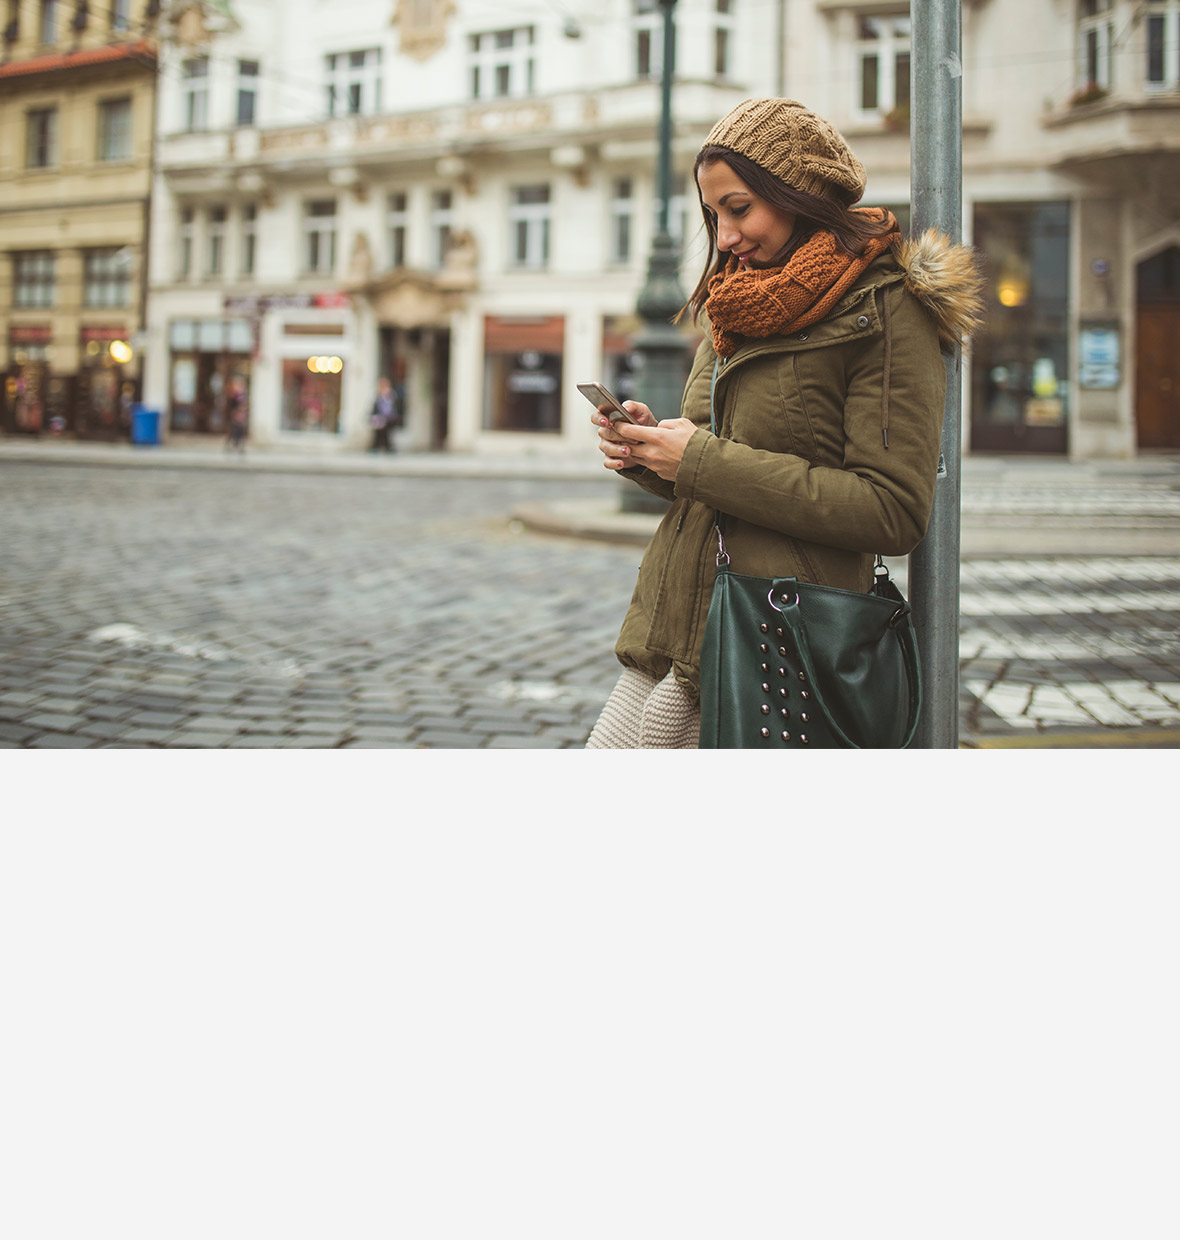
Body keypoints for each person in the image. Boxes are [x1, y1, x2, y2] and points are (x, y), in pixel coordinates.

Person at [585, 97, 983, 749]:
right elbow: (706, 462)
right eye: (713, 215)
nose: (725, 238)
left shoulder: (888, 310)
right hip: (680, 638)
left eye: (739, 209)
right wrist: (651, 452)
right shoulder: (737, 299)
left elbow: (893, 510)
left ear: (801, 194)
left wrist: (698, 461)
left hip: (783, 643)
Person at [368, 375, 401, 453]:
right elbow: (375, 409)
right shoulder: (378, 397)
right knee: (379, 427)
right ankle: (377, 446)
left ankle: (387, 446)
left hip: (390, 419)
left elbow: (393, 409)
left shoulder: (392, 396)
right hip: (380, 419)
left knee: (386, 428)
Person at [225, 378, 248, 454]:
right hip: (236, 415)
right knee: (234, 430)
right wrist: (236, 411)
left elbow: (244, 404)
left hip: (241, 415)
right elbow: (232, 405)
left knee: (240, 431)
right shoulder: (234, 395)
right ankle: (232, 446)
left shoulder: (242, 395)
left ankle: (240, 447)